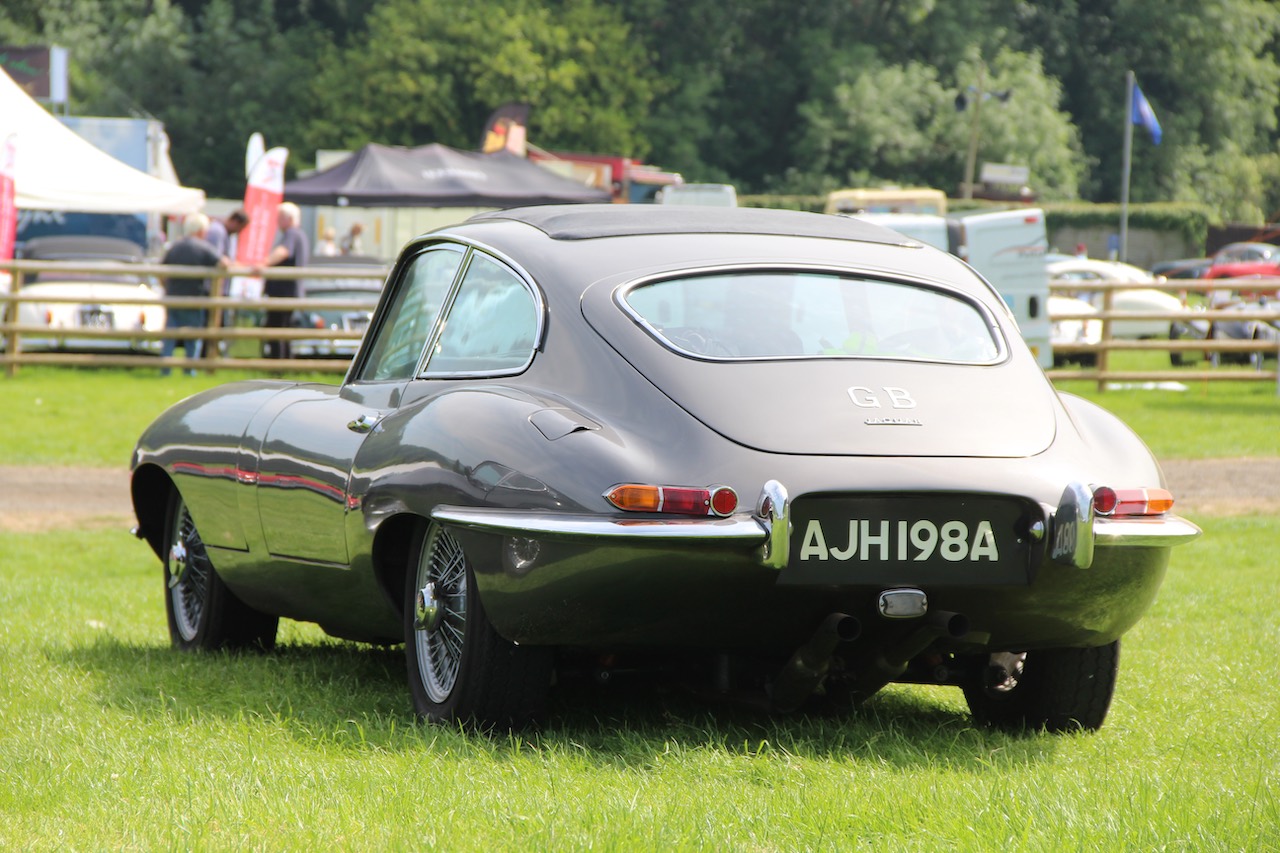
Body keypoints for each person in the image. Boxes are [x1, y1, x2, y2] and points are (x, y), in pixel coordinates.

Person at [160, 213, 227, 375]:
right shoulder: (203, 247)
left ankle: (165, 370)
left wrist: (167, 287)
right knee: (193, 337)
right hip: (194, 298)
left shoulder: (175, 246)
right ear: (200, 230)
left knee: (170, 336)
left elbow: (161, 270)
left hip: (173, 297)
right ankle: (189, 371)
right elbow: (223, 263)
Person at [256, 201, 310, 359]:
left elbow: (283, 251)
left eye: (279, 218)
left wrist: (263, 264)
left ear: (289, 218)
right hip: (289, 290)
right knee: (283, 328)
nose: (277, 222)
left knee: (276, 328)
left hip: (283, 291)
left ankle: (278, 365)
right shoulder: (299, 234)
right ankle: (284, 364)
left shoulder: (292, 233)